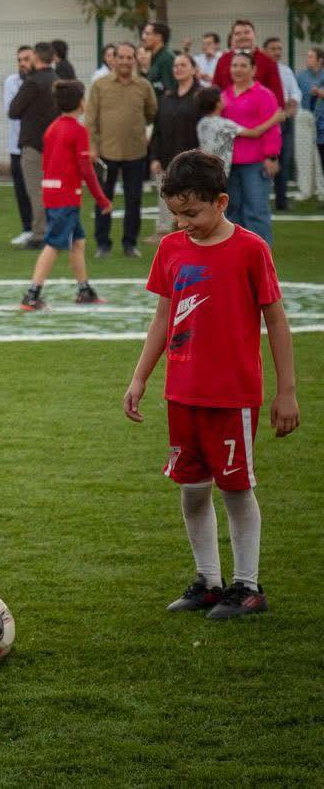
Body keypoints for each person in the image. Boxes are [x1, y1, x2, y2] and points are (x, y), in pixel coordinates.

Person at [124, 151, 299, 620]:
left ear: (221, 201)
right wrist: (141, 376)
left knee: (236, 488)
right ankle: (208, 581)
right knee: (192, 490)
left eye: (193, 213)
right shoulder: (172, 250)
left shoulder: (250, 249)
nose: (184, 223)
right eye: (177, 214)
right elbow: (164, 316)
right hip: (182, 395)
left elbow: (277, 322)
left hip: (231, 397)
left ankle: (247, 586)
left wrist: (287, 391)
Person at [19, 80, 111, 311]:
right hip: (66, 197)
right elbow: (86, 170)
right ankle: (32, 294)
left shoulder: (53, 127)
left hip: (52, 193)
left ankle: (84, 290)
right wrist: (102, 199)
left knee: (78, 242)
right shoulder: (78, 130)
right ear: (82, 102)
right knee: (53, 244)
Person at [86, 42, 157, 258]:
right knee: (103, 199)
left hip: (135, 152)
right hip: (106, 153)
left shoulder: (144, 86)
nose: (125, 62)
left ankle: (130, 243)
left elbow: (151, 113)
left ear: (135, 60)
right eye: (121, 57)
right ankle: (103, 244)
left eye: (129, 57)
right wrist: (92, 146)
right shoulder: (100, 85)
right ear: (113, 59)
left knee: (133, 200)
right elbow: (90, 119)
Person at [220, 52, 284, 245]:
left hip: (256, 163)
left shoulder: (264, 95)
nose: (238, 70)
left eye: (243, 66)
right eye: (234, 66)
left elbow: (273, 128)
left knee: (256, 211)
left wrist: (271, 156)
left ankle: (261, 257)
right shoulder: (224, 95)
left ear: (253, 69)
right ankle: (236, 257)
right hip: (230, 164)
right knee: (232, 213)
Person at [8, 42, 62, 248]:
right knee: (52, 190)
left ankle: (40, 234)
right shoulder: (56, 80)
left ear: (37, 58)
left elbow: (14, 110)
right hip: (53, 144)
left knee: (36, 191)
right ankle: (56, 230)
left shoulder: (32, 82)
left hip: (34, 144)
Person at [147, 52, 207, 239]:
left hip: (193, 163)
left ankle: (195, 234)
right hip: (166, 159)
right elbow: (157, 131)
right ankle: (164, 232)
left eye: (183, 65)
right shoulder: (167, 98)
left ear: (194, 69)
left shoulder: (201, 96)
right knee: (166, 199)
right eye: (176, 66)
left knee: (192, 201)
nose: (178, 68)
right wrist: (155, 157)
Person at [261, 36, 300, 212]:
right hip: (262, 123)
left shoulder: (286, 71)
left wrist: (288, 112)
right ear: (264, 51)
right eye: (273, 48)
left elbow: (294, 94)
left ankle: (281, 202)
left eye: (279, 49)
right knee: (261, 163)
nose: (277, 52)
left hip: (283, 121)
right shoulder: (258, 71)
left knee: (283, 161)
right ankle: (259, 200)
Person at [4, 46, 35, 245]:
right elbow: (12, 110)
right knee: (21, 190)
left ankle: (43, 228)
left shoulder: (40, 81)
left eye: (26, 59)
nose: (23, 63)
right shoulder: (11, 82)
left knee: (39, 190)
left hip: (35, 145)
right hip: (16, 145)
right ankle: (27, 228)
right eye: (20, 60)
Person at [212, 20, 284, 103]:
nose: (242, 36)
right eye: (237, 34)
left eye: (247, 32)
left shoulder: (268, 62)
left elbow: (277, 96)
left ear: (254, 35)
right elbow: (215, 90)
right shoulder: (223, 60)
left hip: (259, 114)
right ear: (232, 37)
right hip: (227, 113)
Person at [301, 47, 324, 197]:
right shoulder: (302, 76)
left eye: (310, 56)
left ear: (320, 60)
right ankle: (309, 189)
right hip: (310, 120)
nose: (307, 59)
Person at [140, 21, 175, 94]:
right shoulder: (154, 58)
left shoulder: (166, 59)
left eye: (147, 34)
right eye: (143, 33)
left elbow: (168, 89)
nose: (143, 37)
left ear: (159, 37)